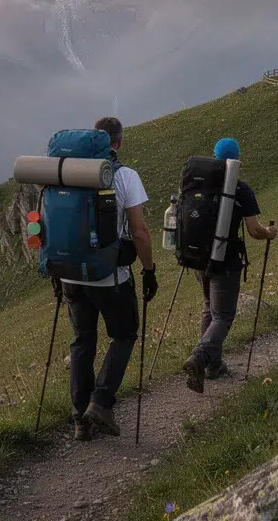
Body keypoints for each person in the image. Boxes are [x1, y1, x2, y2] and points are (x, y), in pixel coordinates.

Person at [53, 116, 158, 441]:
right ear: (119, 142)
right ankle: (100, 403)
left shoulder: (66, 174)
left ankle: (80, 420)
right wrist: (149, 270)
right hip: (110, 275)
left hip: (70, 274)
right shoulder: (124, 176)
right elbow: (139, 231)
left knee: (83, 340)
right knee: (125, 335)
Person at [182, 137, 278, 394]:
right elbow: (254, 230)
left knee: (208, 309)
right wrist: (271, 232)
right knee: (222, 315)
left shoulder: (198, 183)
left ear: (214, 157)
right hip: (226, 260)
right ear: (237, 159)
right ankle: (200, 358)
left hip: (198, 258)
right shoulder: (240, 188)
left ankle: (214, 366)